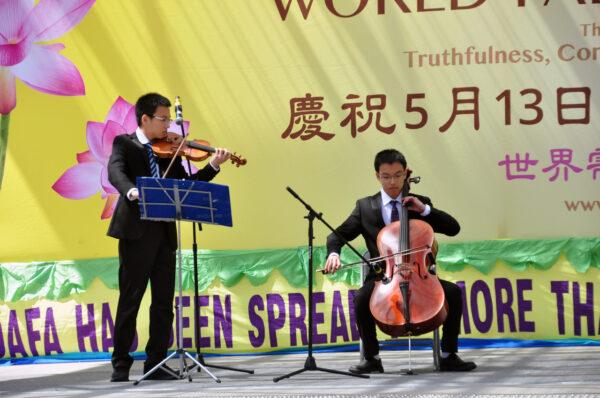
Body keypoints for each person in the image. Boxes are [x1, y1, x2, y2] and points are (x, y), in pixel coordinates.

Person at [107, 93, 231, 382]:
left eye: (169, 119)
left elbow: (186, 187)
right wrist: (131, 191)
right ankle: (121, 365)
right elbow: (116, 172)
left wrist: (212, 166)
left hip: (164, 234)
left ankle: (157, 362)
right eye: (163, 120)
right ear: (145, 119)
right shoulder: (124, 143)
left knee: (163, 302)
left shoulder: (170, 149)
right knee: (131, 300)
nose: (169, 126)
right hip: (136, 233)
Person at [324, 149, 476, 374]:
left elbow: (453, 228)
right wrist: (333, 253)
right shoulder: (365, 207)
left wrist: (424, 210)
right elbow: (336, 235)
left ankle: (449, 355)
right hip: (382, 277)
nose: (393, 181)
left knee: (452, 292)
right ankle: (372, 358)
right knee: (361, 298)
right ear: (377, 176)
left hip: (419, 275)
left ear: (405, 174)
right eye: (386, 176)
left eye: (397, 175)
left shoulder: (418, 202)